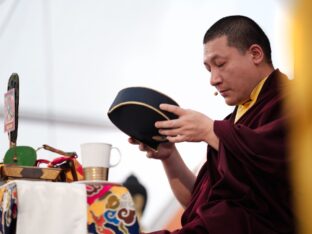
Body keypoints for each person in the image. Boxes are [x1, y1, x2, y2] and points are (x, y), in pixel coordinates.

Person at [129, 15, 295, 234]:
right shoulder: (232, 125)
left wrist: (210, 130)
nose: (213, 79)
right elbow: (198, 203)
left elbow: (276, 165)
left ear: (255, 54)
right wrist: (169, 156)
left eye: (220, 64)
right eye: (209, 69)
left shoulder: (294, 102)